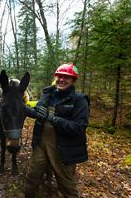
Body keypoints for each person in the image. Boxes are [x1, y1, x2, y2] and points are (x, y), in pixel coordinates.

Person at [24, 63, 90, 198]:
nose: (61, 79)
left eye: (66, 77)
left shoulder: (79, 100)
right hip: (41, 144)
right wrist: (22, 108)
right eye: (59, 76)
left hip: (64, 148)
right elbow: (38, 112)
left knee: (67, 184)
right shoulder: (48, 94)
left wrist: (53, 119)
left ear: (73, 80)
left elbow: (79, 127)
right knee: (33, 174)